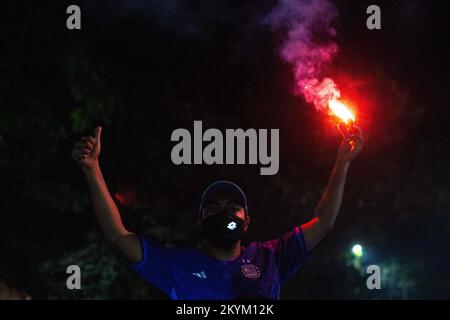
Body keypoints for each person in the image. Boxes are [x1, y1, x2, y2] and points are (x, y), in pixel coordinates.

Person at [72, 125, 364, 299]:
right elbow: (117, 233)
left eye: (233, 208)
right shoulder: (176, 266)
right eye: (213, 209)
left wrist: (343, 163)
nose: (224, 214)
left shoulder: (271, 257)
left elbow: (324, 222)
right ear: (201, 222)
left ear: (247, 222)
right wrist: (92, 169)